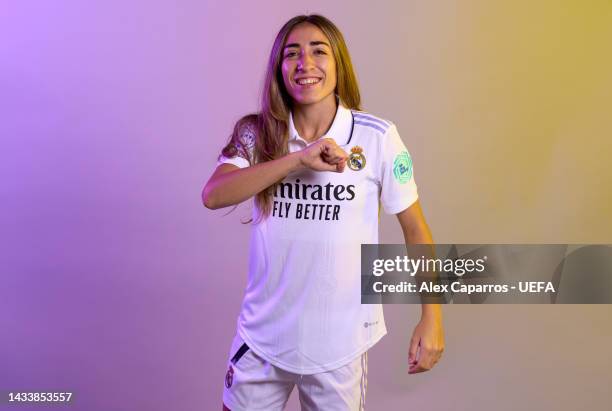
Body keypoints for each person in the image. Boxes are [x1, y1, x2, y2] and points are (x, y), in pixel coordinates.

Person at [203, 14, 444, 411]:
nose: (305, 64)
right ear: (279, 68)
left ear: (339, 64)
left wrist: (431, 317)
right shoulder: (258, 133)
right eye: (292, 53)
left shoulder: (377, 137)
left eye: (319, 51)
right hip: (262, 339)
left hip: (340, 346)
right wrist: (298, 160)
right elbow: (214, 194)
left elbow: (416, 230)